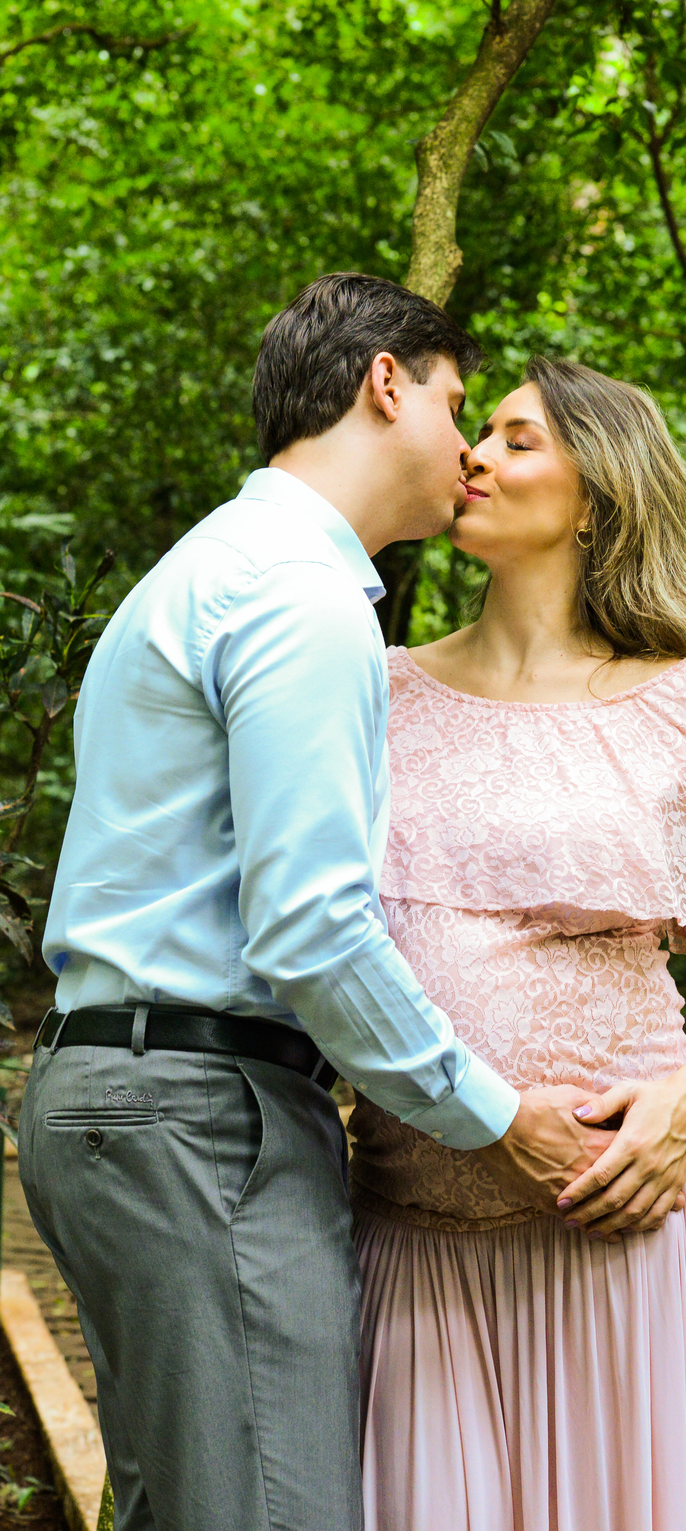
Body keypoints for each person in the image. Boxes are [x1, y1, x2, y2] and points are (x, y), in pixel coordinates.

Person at [19, 277, 614, 1531]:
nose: (465, 450)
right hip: (199, 1116)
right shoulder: (299, 595)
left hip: (139, 1096)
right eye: (458, 405)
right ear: (384, 382)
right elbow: (311, 926)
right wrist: (500, 1116)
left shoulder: (224, 565)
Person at [352, 355, 686, 1531]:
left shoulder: (680, 705)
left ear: (597, 495)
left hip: (635, 1230)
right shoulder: (376, 692)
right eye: (478, 435)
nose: (476, 458)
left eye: (518, 439)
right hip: (420, 1235)